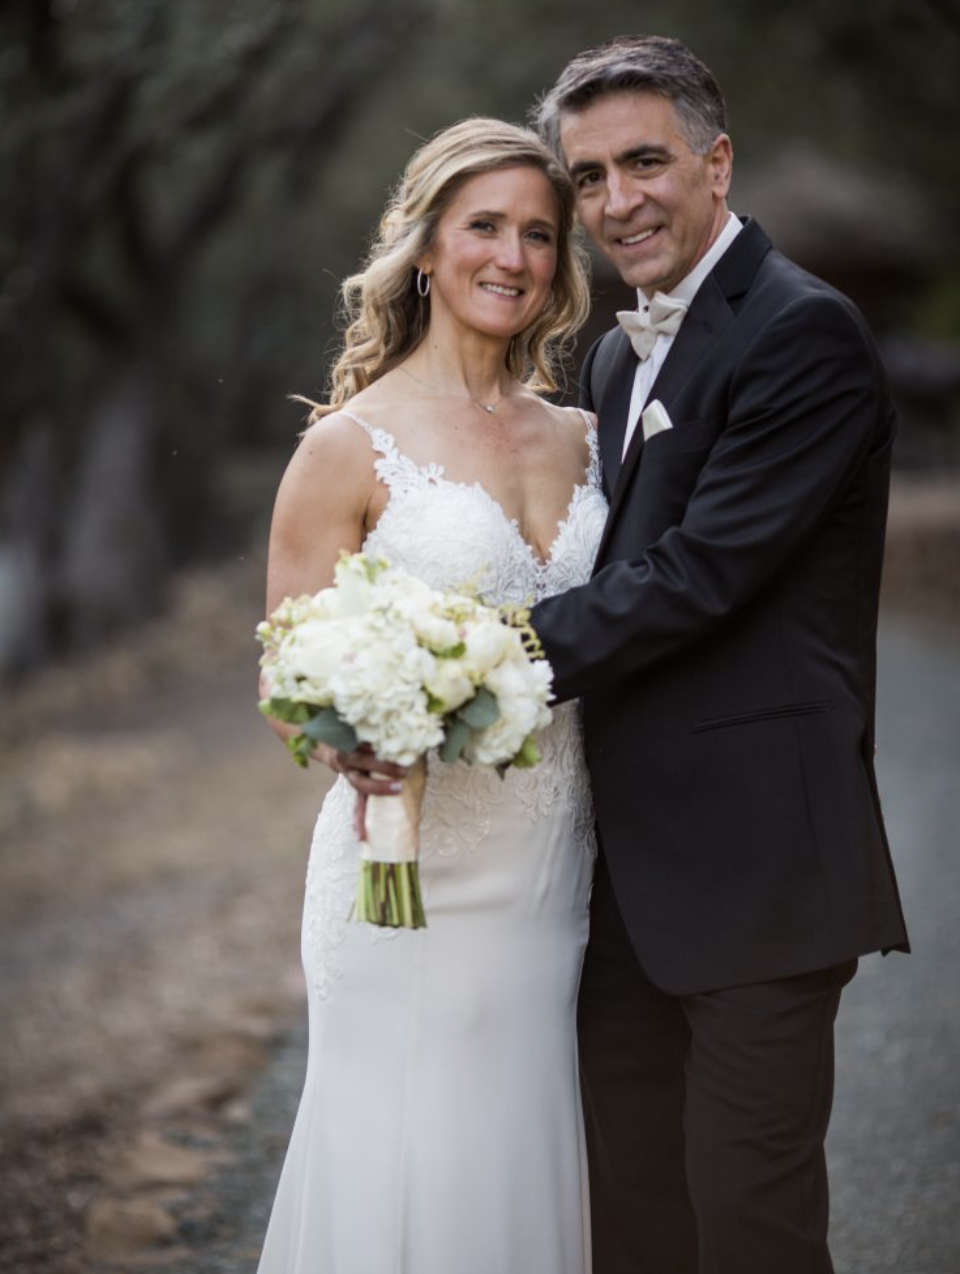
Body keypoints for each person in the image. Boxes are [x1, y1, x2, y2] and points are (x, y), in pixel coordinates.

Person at [528, 34, 910, 1274]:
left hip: (760, 872)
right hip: (625, 882)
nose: (617, 200)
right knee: (635, 1219)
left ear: (716, 160)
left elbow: (699, 575)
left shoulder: (804, 332)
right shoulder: (611, 351)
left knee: (751, 1227)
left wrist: (475, 660)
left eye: (645, 162)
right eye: (588, 178)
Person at [256, 117, 606, 1274]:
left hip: (555, 859)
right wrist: (356, 734)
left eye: (539, 235)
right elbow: (292, 666)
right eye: (485, 227)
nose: (513, 256)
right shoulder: (347, 446)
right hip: (407, 861)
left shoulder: (583, 435)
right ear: (425, 248)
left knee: (517, 1138)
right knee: (411, 1143)